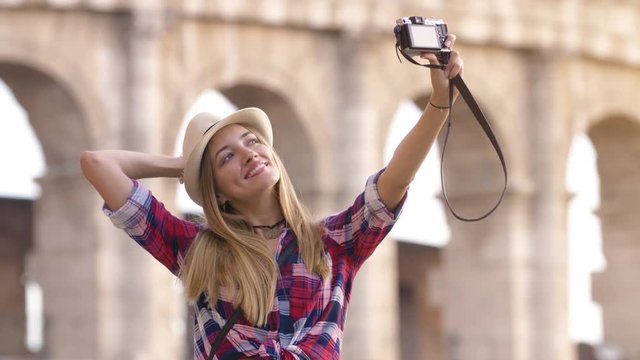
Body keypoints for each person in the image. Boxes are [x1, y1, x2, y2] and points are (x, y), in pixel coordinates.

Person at [80, 34, 463, 360]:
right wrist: (184, 165)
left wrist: (438, 104)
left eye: (252, 142)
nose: (248, 154)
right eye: (227, 157)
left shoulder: (332, 242)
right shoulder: (195, 249)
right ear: (216, 190)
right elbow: (98, 164)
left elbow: (395, 180)